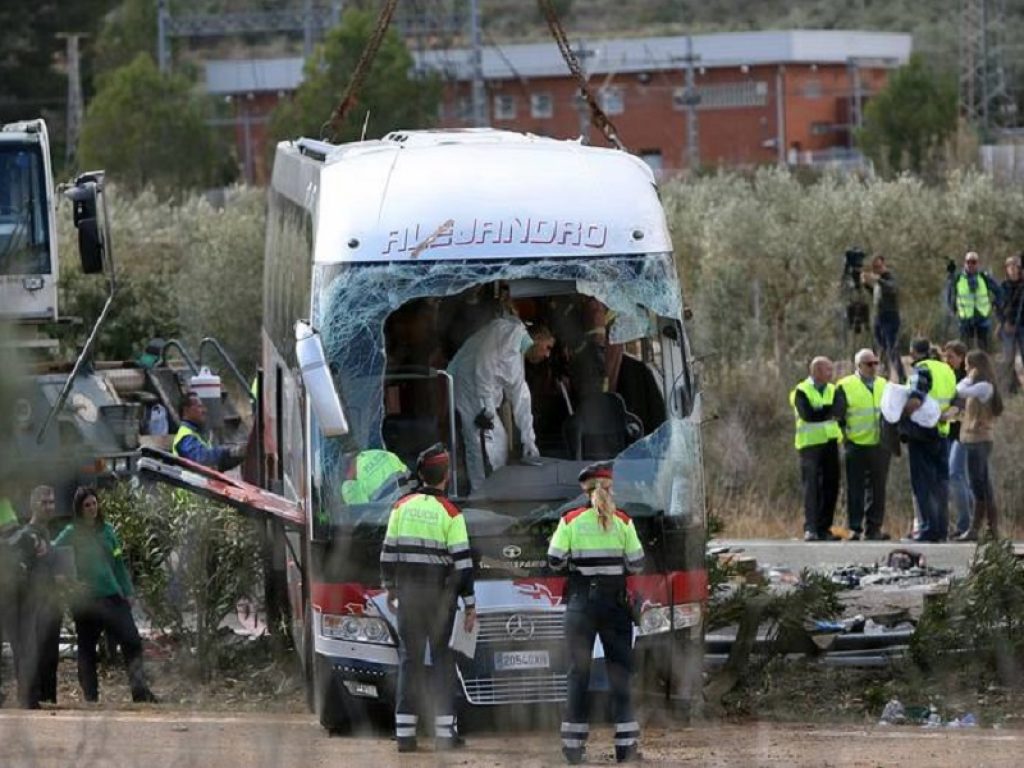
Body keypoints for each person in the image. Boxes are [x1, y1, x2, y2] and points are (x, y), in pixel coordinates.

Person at [380, 444, 475, 752]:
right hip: (440, 601)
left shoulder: (400, 507)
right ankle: (445, 735)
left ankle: (405, 735)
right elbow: (462, 564)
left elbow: (388, 553)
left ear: (420, 474)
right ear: (445, 476)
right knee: (443, 661)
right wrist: (470, 604)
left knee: (410, 660)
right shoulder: (451, 513)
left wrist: (391, 589)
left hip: (409, 596)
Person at [547, 462, 644, 765]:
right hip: (615, 607)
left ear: (583, 488)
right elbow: (637, 563)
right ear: (610, 487)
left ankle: (574, 749)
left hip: (580, 605)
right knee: (620, 674)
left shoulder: (570, 520)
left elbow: (554, 561)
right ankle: (625, 748)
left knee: (578, 674)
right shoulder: (624, 522)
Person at [53, 487, 157, 703]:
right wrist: (66, 579)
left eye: (94, 503)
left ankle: (140, 692)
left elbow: (118, 564)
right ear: (79, 509)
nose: (92, 508)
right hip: (86, 602)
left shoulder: (108, 531)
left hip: (112, 597)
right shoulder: (71, 532)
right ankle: (91, 697)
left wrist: (127, 591)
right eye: (87, 505)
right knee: (87, 650)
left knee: (132, 641)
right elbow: (54, 552)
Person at [447, 317, 556, 491]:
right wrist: (486, 409)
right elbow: (484, 364)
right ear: (538, 338)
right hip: (468, 384)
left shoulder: (517, 354)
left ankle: (491, 490)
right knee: (483, 442)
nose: (547, 354)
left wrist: (529, 440)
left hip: (479, 392)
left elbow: (521, 397)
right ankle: (481, 492)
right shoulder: (509, 331)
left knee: (497, 442)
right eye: (547, 347)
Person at [8, 485, 61, 708]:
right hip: (26, 602)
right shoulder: (27, 535)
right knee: (27, 650)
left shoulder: (45, 533)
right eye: (44, 503)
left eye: (51, 502)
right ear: (33, 505)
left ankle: (41, 697)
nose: (49, 507)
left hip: (46, 602)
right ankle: (28, 699)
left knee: (45, 654)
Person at [834, 349, 890, 540]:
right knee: (855, 488)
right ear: (858, 366)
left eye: (876, 363)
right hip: (856, 444)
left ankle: (874, 528)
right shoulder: (845, 385)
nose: (873, 367)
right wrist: (845, 437)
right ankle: (855, 528)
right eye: (869, 364)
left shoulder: (885, 384)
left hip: (879, 444)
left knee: (878, 489)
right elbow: (839, 416)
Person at [904, 338, 956, 542]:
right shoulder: (946, 370)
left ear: (914, 352)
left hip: (922, 431)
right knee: (941, 482)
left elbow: (916, 398)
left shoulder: (922, 369)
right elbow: (956, 400)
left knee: (923, 482)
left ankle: (927, 528)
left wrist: (901, 412)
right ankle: (941, 529)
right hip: (942, 432)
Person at [789, 357, 842, 542]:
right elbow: (808, 415)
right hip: (809, 445)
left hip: (830, 443)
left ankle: (824, 528)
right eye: (828, 369)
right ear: (817, 371)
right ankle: (811, 528)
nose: (831, 373)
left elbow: (840, 410)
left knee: (831, 486)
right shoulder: (801, 391)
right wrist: (828, 412)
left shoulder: (833, 389)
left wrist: (823, 410)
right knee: (812, 488)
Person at [956, 350, 1004, 540]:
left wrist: (968, 377)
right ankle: (986, 528)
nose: (965, 368)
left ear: (976, 367)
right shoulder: (981, 385)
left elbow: (959, 389)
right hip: (973, 440)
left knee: (980, 484)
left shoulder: (984, 386)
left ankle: (981, 528)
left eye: (968, 365)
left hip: (980, 440)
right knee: (980, 483)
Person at [942, 341, 973, 537]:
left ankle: (965, 525)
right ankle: (970, 522)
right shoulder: (948, 376)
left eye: (951, 356)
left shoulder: (965, 379)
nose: (947, 360)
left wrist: (942, 416)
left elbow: (960, 407)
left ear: (962, 358)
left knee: (956, 474)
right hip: (950, 433)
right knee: (959, 478)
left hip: (964, 434)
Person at [172, 392, 245, 471]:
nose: (204, 410)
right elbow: (201, 459)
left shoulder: (197, 434)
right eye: (199, 406)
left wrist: (237, 455)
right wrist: (227, 451)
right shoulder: (185, 437)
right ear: (186, 411)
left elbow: (216, 464)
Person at [861, 255, 905, 382]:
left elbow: (892, 288)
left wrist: (877, 279)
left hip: (890, 317)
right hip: (879, 317)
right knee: (882, 348)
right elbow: (876, 295)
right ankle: (885, 373)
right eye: (874, 268)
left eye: (879, 267)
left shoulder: (888, 278)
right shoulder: (878, 283)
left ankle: (901, 376)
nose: (877, 270)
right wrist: (866, 284)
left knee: (892, 349)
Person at [947, 251, 1000, 352]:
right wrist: (952, 309)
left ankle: (983, 367)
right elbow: (950, 294)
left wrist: (995, 305)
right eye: (968, 262)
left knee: (984, 350)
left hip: (982, 319)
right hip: (965, 320)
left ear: (978, 263)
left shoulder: (984, 277)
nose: (970, 265)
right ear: (964, 263)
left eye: (973, 262)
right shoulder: (958, 279)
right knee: (964, 350)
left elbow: (999, 291)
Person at [997, 254, 1024, 395]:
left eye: (1016, 266)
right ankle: (1010, 389)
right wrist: (1004, 322)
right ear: (1006, 269)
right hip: (1008, 328)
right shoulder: (1003, 287)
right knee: (1008, 359)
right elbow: (998, 307)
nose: (1013, 269)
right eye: (1010, 266)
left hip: (1023, 326)